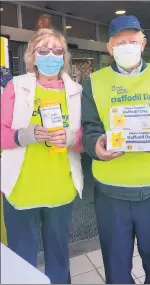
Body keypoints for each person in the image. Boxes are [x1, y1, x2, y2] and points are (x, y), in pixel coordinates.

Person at [82, 15, 150, 284]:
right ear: (110, 48)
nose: (127, 46)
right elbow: (89, 129)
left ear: (143, 43)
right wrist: (96, 147)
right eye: (120, 42)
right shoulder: (95, 82)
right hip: (112, 192)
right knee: (116, 270)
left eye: (132, 41)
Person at [1, 28, 83, 284]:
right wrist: (23, 135)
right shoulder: (16, 87)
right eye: (43, 50)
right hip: (22, 189)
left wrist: (71, 139)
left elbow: (85, 139)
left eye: (57, 50)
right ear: (31, 56)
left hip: (60, 188)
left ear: (64, 56)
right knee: (22, 258)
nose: (51, 55)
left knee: (58, 256)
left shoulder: (77, 92)